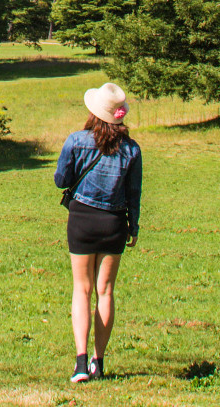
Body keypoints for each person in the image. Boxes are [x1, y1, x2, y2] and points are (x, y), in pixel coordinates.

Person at [53, 82, 141, 383]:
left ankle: (79, 363)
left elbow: (60, 179)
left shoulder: (76, 141)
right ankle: (98, 362)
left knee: (82, 289)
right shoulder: (132, 149)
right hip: (114, 223)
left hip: (82, 219)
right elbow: (134, 194)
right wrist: (134, 226)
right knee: (105, 292)